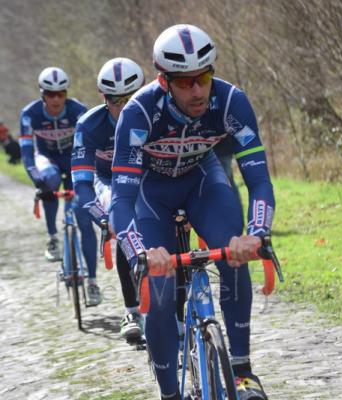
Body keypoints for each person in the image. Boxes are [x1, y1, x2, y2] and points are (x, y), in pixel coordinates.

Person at [110, 24, 275, 400]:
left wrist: (257, 233)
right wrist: (140, 253)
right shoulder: (138, 113)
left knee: (234, 256)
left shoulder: (232, 101)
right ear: (164, 81)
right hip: (151, 193)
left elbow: (260, 181)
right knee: (163, 289)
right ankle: (170, 393)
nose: (198, 90)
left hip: (203, 181)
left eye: (203, 77)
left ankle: (244, 372)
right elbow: (121, 199)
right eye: (185, 82)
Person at [71, 57, 146, 340]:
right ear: (104, 98)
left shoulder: (158, 113)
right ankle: (132, 310)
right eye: (116, 100)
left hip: (150, 177)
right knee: (119, 216)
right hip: (109, 180)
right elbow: (82, 185)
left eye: (132, 97)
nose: (124, 106)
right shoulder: (88, 125)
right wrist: (104, 219)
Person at [19, 67, 101, 306]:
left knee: (84, 218)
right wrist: (38, 183)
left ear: (66, 93)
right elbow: (26, 153)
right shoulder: (29, 114)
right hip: (48, 160)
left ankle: (93, 282)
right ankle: (53, 236)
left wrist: (90, 182)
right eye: (50, 94)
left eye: (60, 93)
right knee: (50, 180)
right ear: (42, 94)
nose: (56, 99)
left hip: (74, 159)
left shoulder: (79, 111)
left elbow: (91, 148)